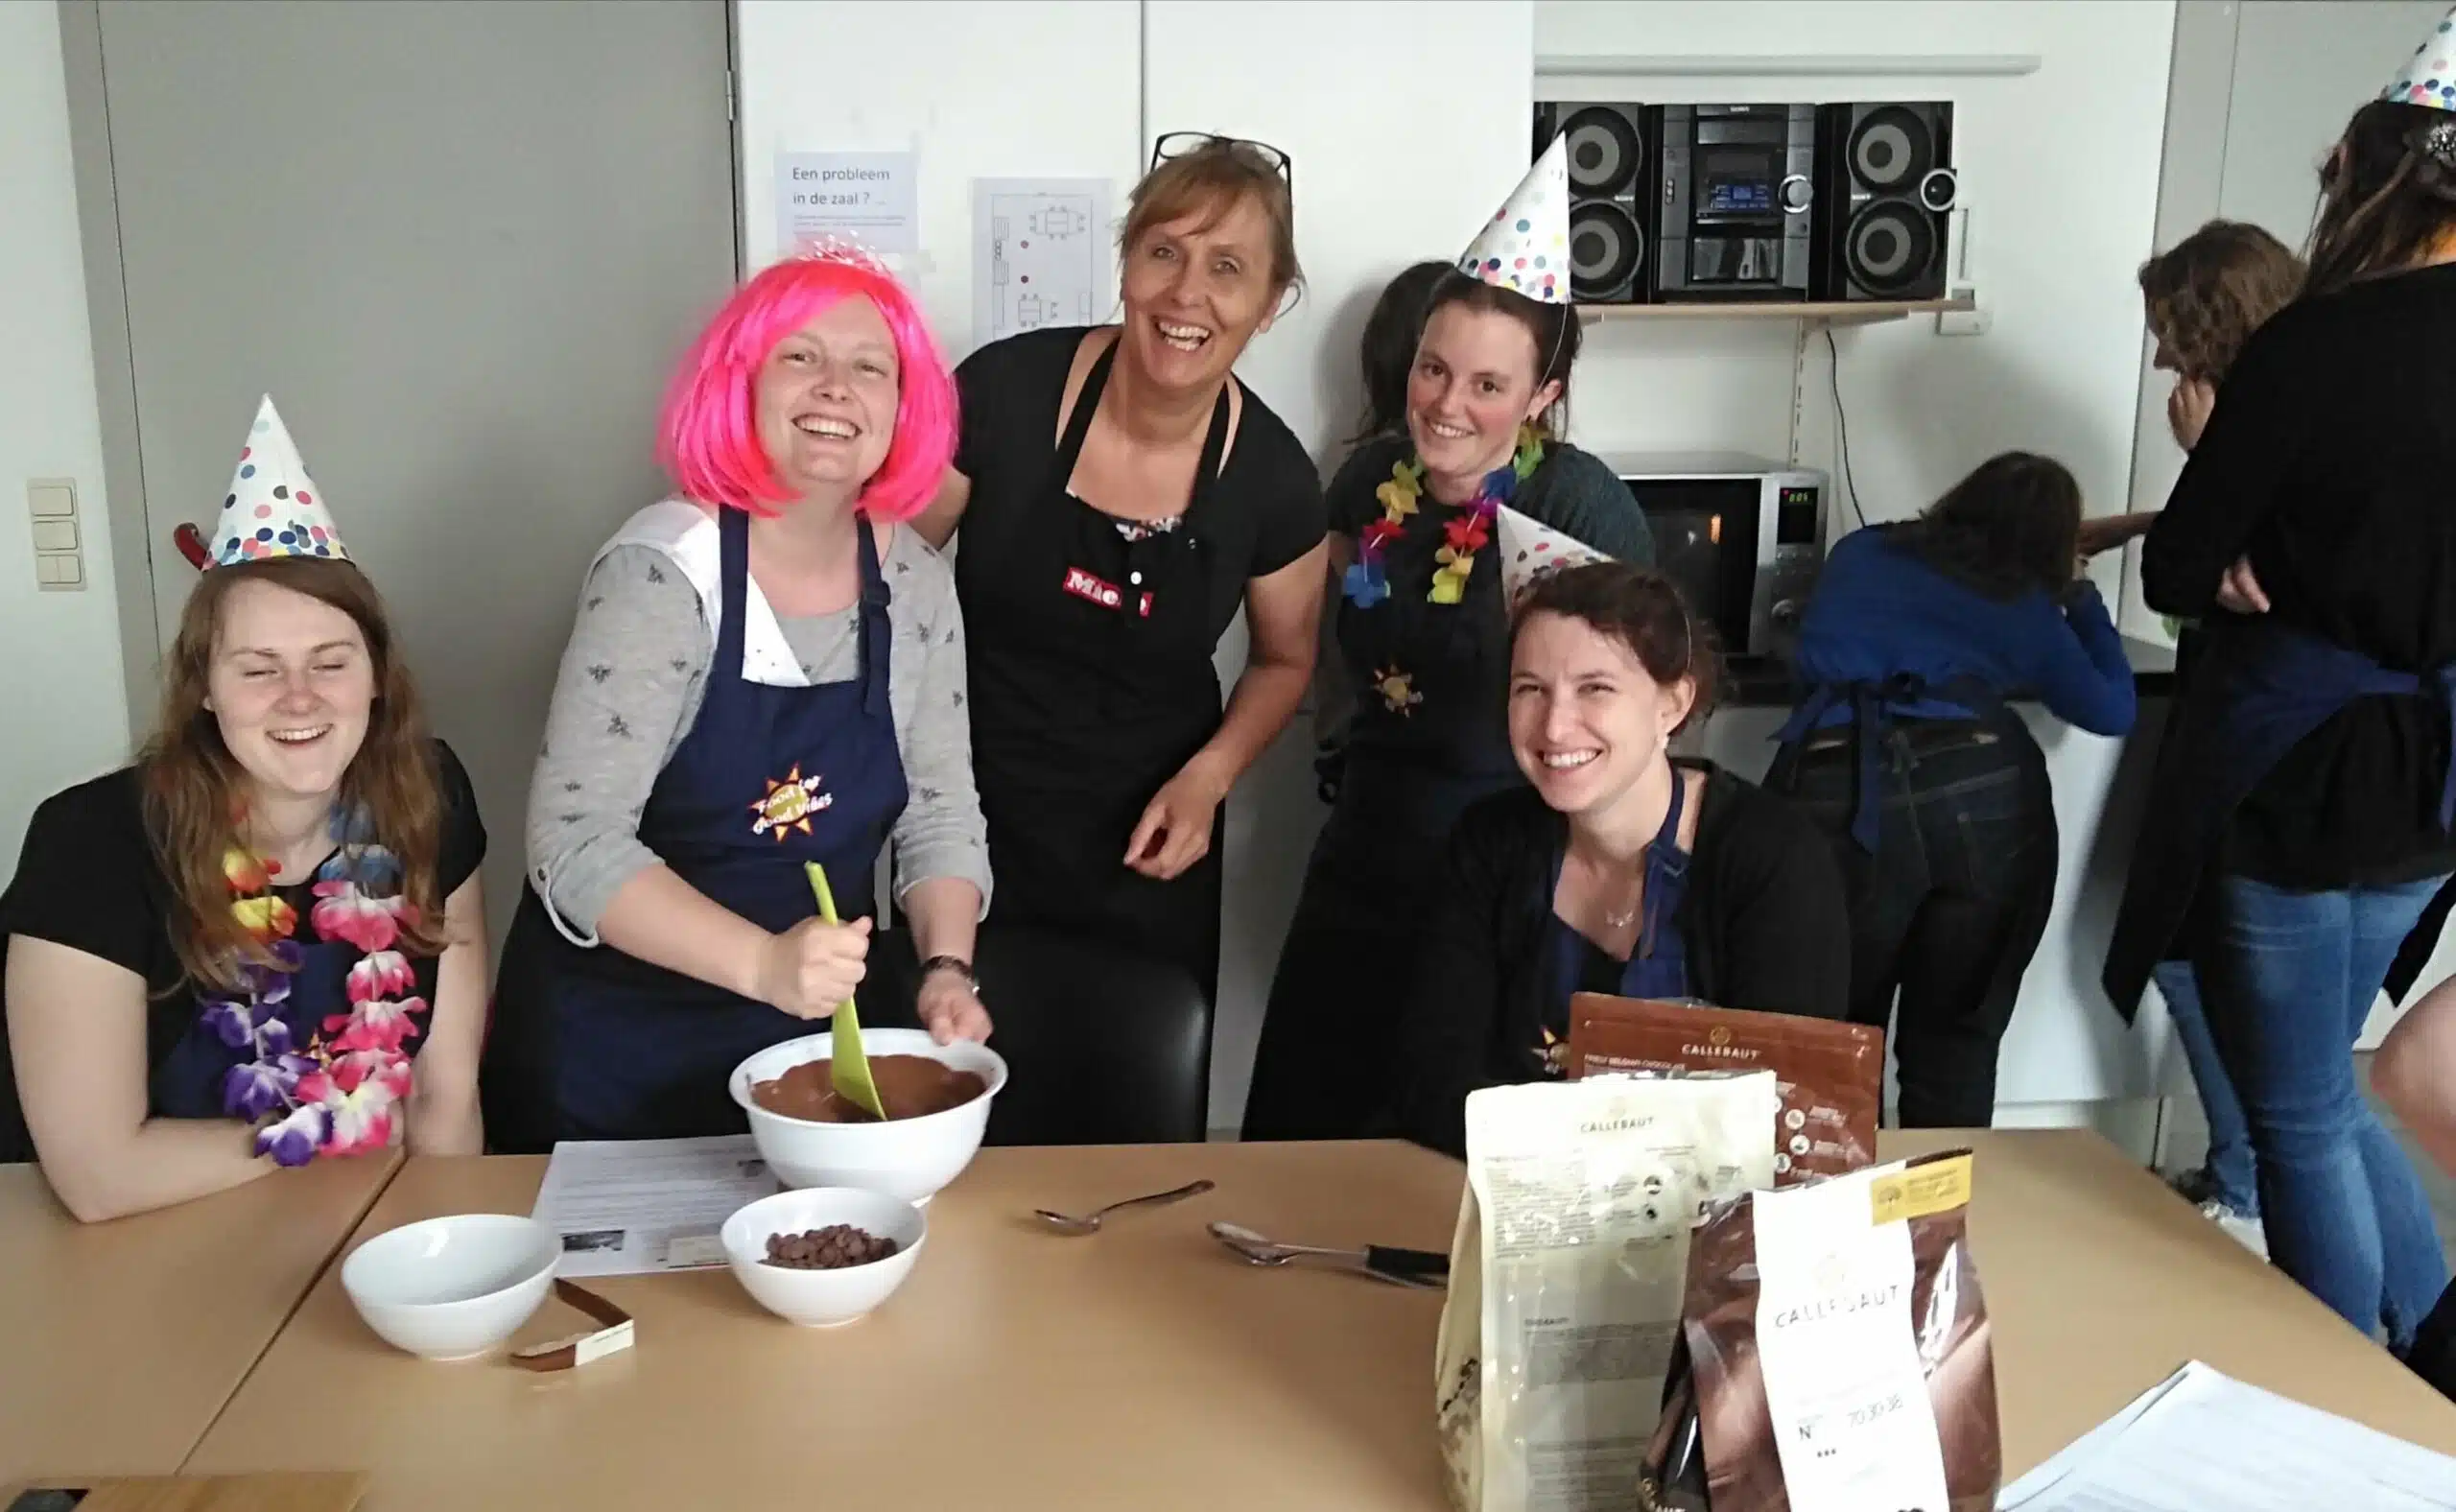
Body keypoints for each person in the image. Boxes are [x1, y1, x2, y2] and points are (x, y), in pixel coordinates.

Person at [2104, 29, 2456, 1355]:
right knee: (2332, 1088)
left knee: (2299, 1108)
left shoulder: (2317, 344)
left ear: (2367, 179)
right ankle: (2424, 1356)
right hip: (2435, 783)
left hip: (2298, 766)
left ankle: (2343, 1390)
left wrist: (2242, 555)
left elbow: (2178, 565)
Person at [484, 248, 992, 1151]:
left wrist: (947, 968)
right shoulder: (661, 572)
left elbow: (940, 809)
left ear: (903, 409)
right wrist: (762, 963)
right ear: (740, 385)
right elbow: (573, 841)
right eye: (800, 356)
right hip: (613, 1054)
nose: (835, 387)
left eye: (869, 367)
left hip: (807, 1051)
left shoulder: (915, 583)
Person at [1246, 139, 1653, 1141]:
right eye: (1434, 369)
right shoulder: (1367, 481)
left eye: (1486, 384)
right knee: (1305, 1127)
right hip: (1366, 844)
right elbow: (1316, 645)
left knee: (1461, 1140)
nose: (1447, 404)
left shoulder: (1580, 504)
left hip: (1513, 866)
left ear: (1539, 397)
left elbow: (1638, 712)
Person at [0, 397, 487, 1220]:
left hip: (353, 1220)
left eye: (331, 662)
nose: (299, 698)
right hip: (122, 1246)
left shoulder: (428, 795)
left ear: (377, 678)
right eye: (259, 669)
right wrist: (331, 1126)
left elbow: (446, 1098)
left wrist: (449, 1248)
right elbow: (98, 1176)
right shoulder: (92, 844)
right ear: (206, 692)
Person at [917, 134, 1326, 1021]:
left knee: (1135, 1078)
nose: (1186, 294)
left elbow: (1285, 661)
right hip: (968, 828)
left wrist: (1209, 778)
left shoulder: (1276, 481)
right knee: (962, 1077)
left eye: (1227, 267)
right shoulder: (1003, 392)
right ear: (1127, 262)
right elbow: (891, 576)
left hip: (1154, 841)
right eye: (1164, 252)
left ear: (1268, 305)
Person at [1401, 562, 1851, 1158]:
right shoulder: (1488, 844)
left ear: (1673, 705)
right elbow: (1432, 1077)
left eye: (1595, 688)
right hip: (1517, 1190)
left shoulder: (1773, 860)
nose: (1555, 726)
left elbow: (1795, 1110)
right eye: (1530, 689)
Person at [1767, 453, 2136, 1129]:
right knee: (1955, 1047)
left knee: (1836, 1042)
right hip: (1985, 794)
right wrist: (2079, 595)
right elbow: (2112, 708)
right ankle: (1939, 1200)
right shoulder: (2025, 605)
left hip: (1838, 786)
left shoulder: (1861, 551)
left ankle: (1836, 1194)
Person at [2087, 221, 2304, 1242]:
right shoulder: (2309, 400)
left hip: (2259, 738)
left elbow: (2227, 575)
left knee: (2189, 956)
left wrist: (2202, 461)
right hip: (2271, 729)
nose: (2161, 362)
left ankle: (2246, 1186)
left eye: (2171, 337)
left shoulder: (2257, 423)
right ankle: (2243, 1171)